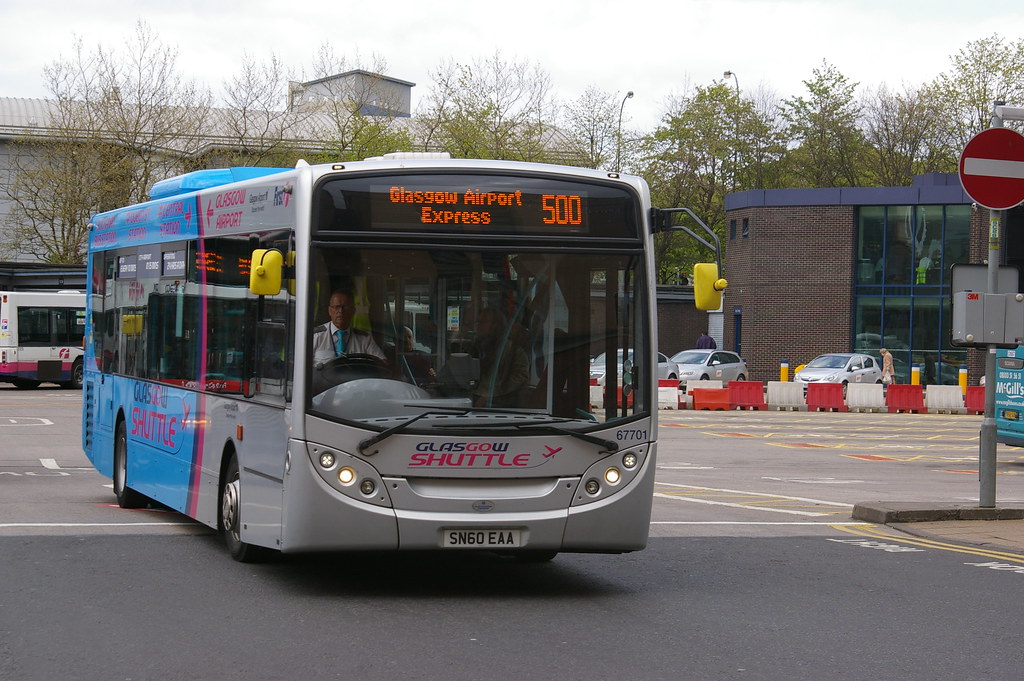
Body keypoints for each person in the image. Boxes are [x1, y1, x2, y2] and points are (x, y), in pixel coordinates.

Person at [473, 307, 529, 407]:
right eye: (478, 322)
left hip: (501, 406)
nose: (479, 326)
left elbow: (520, 377)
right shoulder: (478, 347)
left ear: (495, 325)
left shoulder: (512, 351)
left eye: (483, 322)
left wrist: (490, 394)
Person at [311, 290, 385, 366]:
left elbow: (383, 362)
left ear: (353, 311)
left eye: (345, 307)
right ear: (329, 311)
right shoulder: (315, 336)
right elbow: (300, 365)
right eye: (336, 307)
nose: (341, 311)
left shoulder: (364, 339)